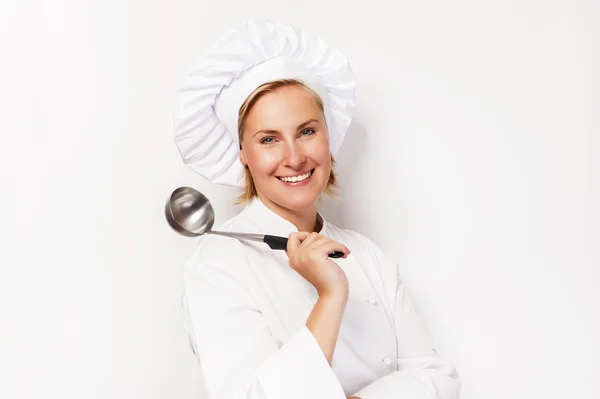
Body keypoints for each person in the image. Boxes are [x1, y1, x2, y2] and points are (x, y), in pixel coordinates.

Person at [174, 20, 461, 399]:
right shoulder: (217, 265)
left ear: (329, 136)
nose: (294, 158)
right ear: (243, 153)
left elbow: (439, 379)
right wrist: (330, 295)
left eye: (307, 131)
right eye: (269, 139)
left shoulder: (370, 256)